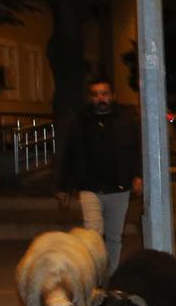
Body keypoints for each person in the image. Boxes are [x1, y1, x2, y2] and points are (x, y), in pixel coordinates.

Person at [55, 76, 142, 275]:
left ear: (112, 95)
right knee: (93, 233)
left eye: (104, 94)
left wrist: (137, 175)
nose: (100, 98)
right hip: (89, 187)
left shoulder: (126, 120)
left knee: (114, 237)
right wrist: (62, 186)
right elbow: (69, 154)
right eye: (96, 95)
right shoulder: (80, 121)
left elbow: (137, 150)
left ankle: (109, 276)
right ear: (90, 97)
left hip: (119, 187)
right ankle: (92, 273)